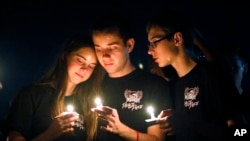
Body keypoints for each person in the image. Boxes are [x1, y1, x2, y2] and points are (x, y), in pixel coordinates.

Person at [146, 9, 243, 141]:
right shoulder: (174, 85)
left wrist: (186, 122)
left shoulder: (213, 76)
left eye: (154, 43)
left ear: (177, 39)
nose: (149, 51)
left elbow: (241, 132)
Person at [89, 13, 173, 141]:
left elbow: (158, 139)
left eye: (112, 48)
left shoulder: (154, 85)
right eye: (99, 49)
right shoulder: (93, 85)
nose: (104, 56)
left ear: (129, 45)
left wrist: (122, 130)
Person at [7, 33, 104, 141]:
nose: (84, 69)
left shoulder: (88, 104)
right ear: (64, 56)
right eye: (80, 61)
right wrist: (50, 134)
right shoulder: (32, 95)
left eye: (91, 66)